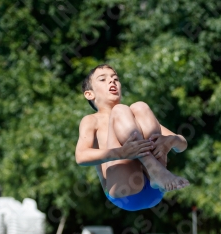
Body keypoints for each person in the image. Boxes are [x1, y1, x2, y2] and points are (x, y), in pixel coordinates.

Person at [75, 64, 190, 211]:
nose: (112, 82)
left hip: (155, 186)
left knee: (140, 106)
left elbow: (182, 145)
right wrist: (122, 152)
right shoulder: (92, 120)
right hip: (124, 190)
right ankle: (155, 169)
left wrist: (170, 141)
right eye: (103, 79)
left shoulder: (135, 116)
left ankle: (155, 171)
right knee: (120, 110)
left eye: (115, 78)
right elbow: (81, 157)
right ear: (89, 94)